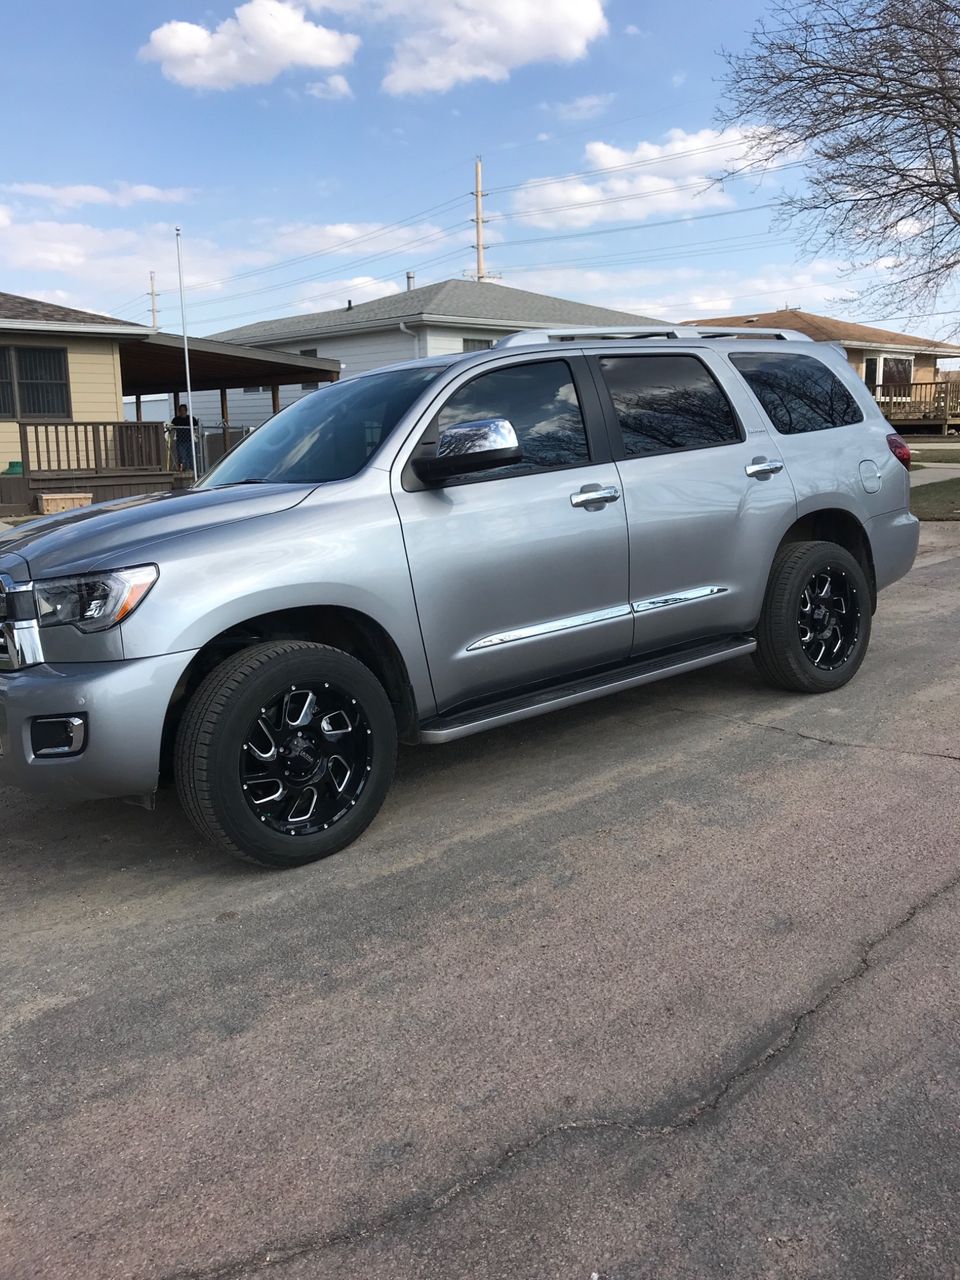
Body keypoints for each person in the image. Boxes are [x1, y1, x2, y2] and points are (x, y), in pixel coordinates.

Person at [171, 403, 199, 472]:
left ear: (186, 411)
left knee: (191, 456)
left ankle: (193, 470)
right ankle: (184, 469)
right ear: (179, 411)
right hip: (180, 441)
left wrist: (196, 437)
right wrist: (171, 439)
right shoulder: (176, 419)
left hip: (190, 441)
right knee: (182, 456)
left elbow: (196, 428)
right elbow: (172, 430)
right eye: (181, 410)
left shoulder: (191, 419)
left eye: (184, 410)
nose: (182, 412)